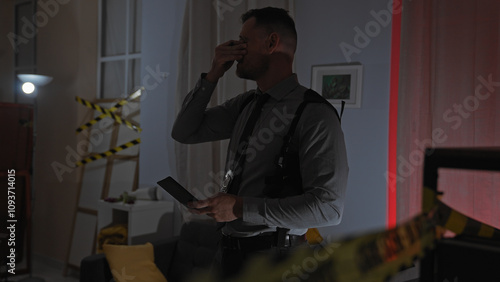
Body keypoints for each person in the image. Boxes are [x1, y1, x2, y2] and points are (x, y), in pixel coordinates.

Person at [171, 7, 348, 278]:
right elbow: (184, 132)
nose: (236, 49)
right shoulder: (246, 105)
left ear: (271, 43)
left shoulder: (314, 114)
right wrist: (212, 74)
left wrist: (240, 207)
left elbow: (329, 208)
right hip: (229, 254)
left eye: (244, 41)